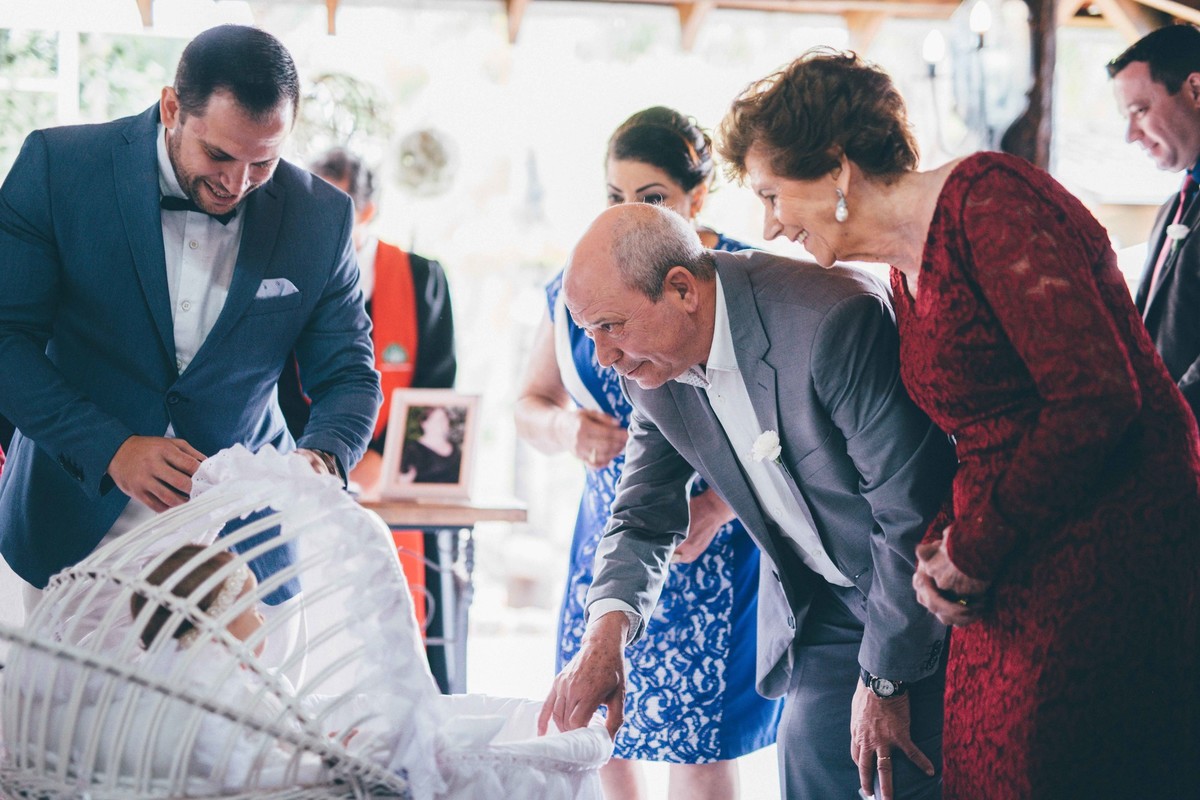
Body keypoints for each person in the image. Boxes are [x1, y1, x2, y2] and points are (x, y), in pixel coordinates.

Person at [717, 47, 1200, 799]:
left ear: (837, 168)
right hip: (1017, 552)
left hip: (1111, 539)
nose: (771, 226)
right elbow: (983, 437)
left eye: (773, 195)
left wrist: (974, 545)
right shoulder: (901, 273)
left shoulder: (989, 199)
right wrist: (940, 547)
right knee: (975, 767)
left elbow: (1095, 397)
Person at [538, 202, 955, 800]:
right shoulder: (652, 369)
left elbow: (910, 510)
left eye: (611, 326)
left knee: (910, 776)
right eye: (589, 333)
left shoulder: (829, 321)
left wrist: (886, 681)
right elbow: (642, 516)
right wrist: (603, 640)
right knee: (809, 766)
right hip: (825, 600)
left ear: (682, 289)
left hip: (923, 590)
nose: (604, 357)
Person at [0, 25, 381, 620]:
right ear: (172, 107)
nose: (237, 184)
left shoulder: (321, 218)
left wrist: (321, 460)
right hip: (78, 521)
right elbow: (7, 340)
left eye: (263, 162)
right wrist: (111, 449)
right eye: (219, 155)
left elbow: (350, 375)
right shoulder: (59, 168)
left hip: (247, 542)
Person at [516, 106, 782, 800]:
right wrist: (566, 431)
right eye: (615, 195)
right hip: (616, 524)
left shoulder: (735, 280)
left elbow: (781, 428)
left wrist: (719, 507)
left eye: (652, 196)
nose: (629, 211)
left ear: (698, 195)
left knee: (700, 742)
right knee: (599, 729)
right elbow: (530, 403)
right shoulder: (580, 283)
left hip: (716, 536)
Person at [281, 146, 456, 493]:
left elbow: (436, 381)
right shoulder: (288, 273)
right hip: (302, 469)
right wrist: (319, 455)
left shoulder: (421, 278)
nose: (318, 221)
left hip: (395, 474)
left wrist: (383, 456)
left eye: (333, 208)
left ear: (367, 212)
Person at [1107, 24, 1200, 420]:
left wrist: (1166, 427)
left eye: (1140, 110)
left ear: (1195, 90)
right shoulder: (1172, 208)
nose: (1130, 135)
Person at [400, 405, 462, 484]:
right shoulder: (412, 450)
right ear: (424, 424)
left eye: (443, 420)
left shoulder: (456, 449)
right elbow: (403, 482)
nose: (441, 424)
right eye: (436, 421)